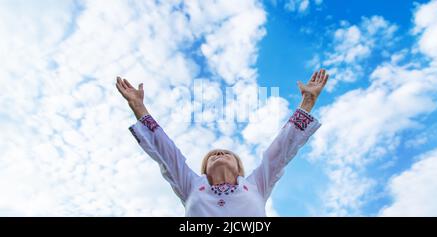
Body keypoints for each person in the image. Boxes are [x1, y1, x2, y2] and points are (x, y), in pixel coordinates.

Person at [115, 69, 329, 216]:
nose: (219, 155)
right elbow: (167, 154)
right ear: (204, 170)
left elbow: (281, 149)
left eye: (227, 154)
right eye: (213, 156)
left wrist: (308, 101)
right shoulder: (191, 186)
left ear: (239, 168)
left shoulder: (256, 185)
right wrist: (138, 107)